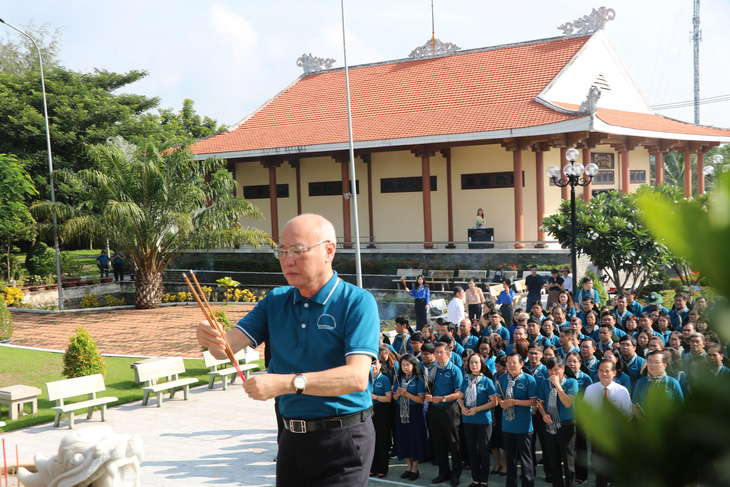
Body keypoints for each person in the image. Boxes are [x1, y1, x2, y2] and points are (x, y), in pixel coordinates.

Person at [195, 214, 379, 487]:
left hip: (342, 438)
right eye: (282, 251)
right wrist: (210, 338)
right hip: (291, 435)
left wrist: (284, 383)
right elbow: (226, 349)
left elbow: (356, 377)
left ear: (329, 250)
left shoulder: (356, 302)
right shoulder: (276, 301)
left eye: (298, 251)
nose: (287, 260)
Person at [582, 360, 632, 487]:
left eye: (607, 371)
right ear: (597, 372)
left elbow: (628, 413)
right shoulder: (590, 389)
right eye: (601, 371)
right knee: (599, 467)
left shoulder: (622, 391)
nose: (604, 373)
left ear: (614, 372)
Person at [426, 341, 464, 486]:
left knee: (453, 443)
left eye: (441, 352)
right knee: (438, 443)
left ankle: (456, 474)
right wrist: (429, 397)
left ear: (448, 354)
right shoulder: (432, 370)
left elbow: (459, 393)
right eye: (436, 352)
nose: (438, 355)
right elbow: (429, 388)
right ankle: (443, 472)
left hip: (450, 410)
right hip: (435, 410)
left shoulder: (454, 370)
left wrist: (442, 398)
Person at [498, 353, 538, 487]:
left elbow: (533, 401)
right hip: (507, 425)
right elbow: (498, 396)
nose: (511, 366)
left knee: (526, 458)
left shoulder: (529, 379)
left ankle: (528, 484)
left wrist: (515, 402)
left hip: (523, 425)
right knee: (510, 458)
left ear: (521, 364)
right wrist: (501, 402)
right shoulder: (502, 378)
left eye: (514, 363)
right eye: (508, 363)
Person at [537, 357, 578, 487]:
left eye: (556, 370)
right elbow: (540, 403)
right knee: (553, 460)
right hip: (550, 425)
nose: (553, 373)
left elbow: (567, 403)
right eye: (550, 370)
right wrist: (543, 414)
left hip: (566, 425)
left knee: (568, 461)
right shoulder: (544, 383)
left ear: (563, 369)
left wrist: (558, 385)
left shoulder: (571, 382)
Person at [459, 353, 499, 487]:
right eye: (471, 363)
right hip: (468, 420)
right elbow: (460, 398)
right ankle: (475, 479)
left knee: (483, 451)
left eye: (476, 362)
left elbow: (494, 402)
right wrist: (463, 407)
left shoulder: (487, 381)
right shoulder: (465, 380)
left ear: (482, 365)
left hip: (483, 421)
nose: (474, 365)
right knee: (472, 450)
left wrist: (478, 409)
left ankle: (484, 480)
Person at [393, 353, 429, 481]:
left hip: (415, 412)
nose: (405, 367)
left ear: (413, 365)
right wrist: (397, 395)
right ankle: (408, 467)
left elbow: (420, 400)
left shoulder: (419, 379)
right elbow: (394, 397)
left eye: (408, 365)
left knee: (414, 439)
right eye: (403, 365)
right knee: (404, 439)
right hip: (401, 412)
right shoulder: (399, 378)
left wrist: (406, 393)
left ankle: (415, 467)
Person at [633, 350, 684, 415]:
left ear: (664, 365)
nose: (652, 365)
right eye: (650, 362)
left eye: (657, 362)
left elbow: (680, 406)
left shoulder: (672, 383)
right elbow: (635, 405)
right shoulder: (641, 382)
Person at [370, 358, 393, 478]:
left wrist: (375, 397)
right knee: (372, 440)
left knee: (382, 440)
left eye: (375, 363)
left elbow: (388, 398)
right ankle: (373, 466)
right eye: (371, 364)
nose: (373, 366)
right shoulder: (366, 377)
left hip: (382, 411)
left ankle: (382, 468)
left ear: (380, 365)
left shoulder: (384, 379)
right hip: (369, 411)